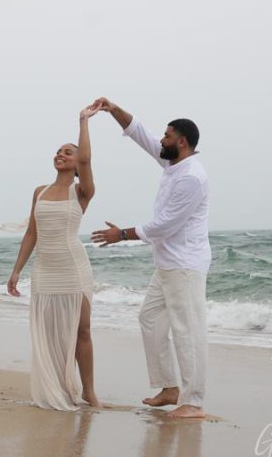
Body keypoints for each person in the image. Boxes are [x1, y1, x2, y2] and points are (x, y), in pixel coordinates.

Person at [90, 97, 210, 419]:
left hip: (185, 264)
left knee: (188, 330)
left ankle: (193, 402)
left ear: (181, 142)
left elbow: (166, 225)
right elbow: (140, 133)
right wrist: (113, 109)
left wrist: (123, 235)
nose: (162, 140)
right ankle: (170, 388)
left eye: (167, 136)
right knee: (150, 319)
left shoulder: (191, 177)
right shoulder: (174, 163)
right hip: (168, 264)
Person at [7, 104, 101, 410]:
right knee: (49, 334)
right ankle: (59, 387)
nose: (60, 154)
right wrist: (16, 270)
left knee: (81, 330)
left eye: (67, 152)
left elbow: (87, 158)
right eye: (58, 151)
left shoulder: (82, 190)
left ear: (77, 164)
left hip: (73, 267)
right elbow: (32, 233)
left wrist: (83, 122)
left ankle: (89, 391)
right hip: (45, 270)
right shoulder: (40, 191)